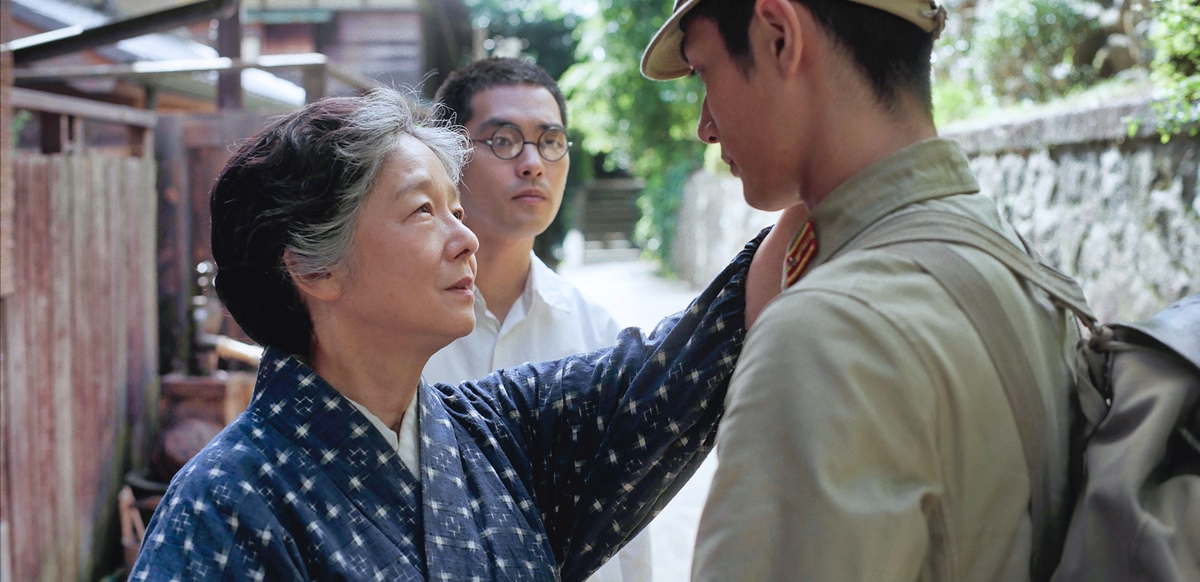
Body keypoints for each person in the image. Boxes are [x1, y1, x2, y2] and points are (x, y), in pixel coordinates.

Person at [128, 87, 782, 581]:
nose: (466, 239)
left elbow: (691, 353)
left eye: (457, 209)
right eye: (422, 210)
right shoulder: (224, 507)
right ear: (314, 266)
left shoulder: (502, 431)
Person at [641, 0, 1081, 580]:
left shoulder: (826, 338)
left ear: (777, 37)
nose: (705, 125)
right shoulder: (1023, 269)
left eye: (705, 71)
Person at [425, 58, 651, 582]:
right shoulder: (398, 330)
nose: (533, 163)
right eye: (503, 140)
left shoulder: (599, 338)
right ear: (450, 157)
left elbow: (629, 522)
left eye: (550, 141)